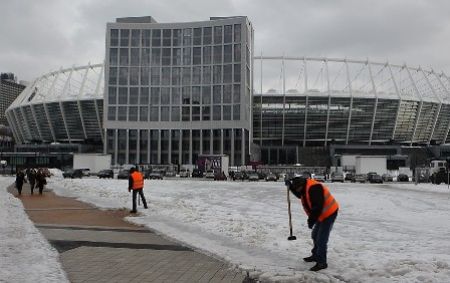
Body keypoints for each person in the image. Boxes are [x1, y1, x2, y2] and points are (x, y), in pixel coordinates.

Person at [287, 175, 339, 271]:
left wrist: (311, 220)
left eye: (298, 188)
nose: (298, 190)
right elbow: (300, 194)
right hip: (320, 214)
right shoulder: (304, 187)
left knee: (321, 239)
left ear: (302, 185)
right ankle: (315, 255)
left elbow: (317, 207)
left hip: (329, 213)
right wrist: (290, 187)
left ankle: (322, 262)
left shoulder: (314, 188)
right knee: (315, 235)